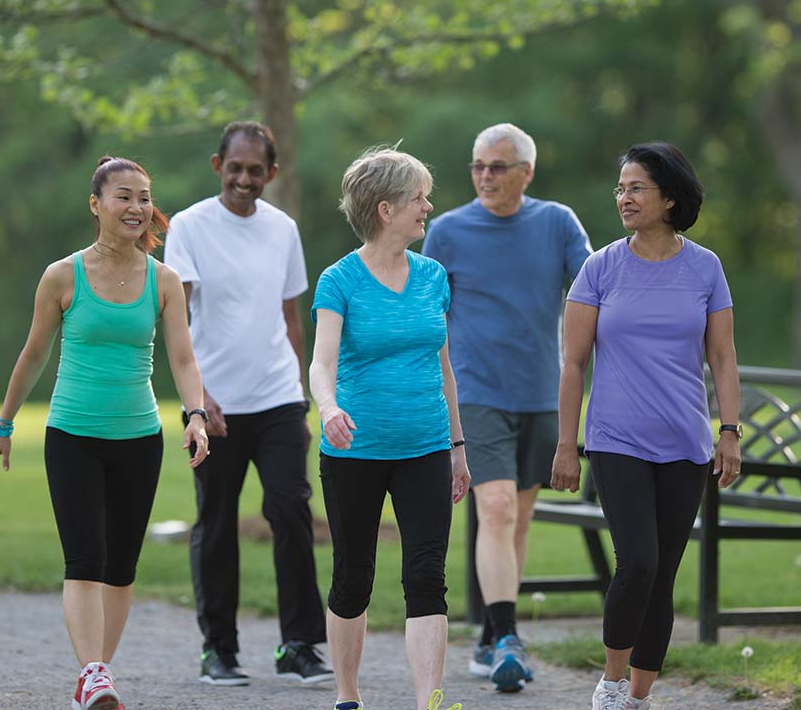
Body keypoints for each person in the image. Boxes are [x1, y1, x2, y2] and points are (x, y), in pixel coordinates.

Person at [0, 156, 210, 710]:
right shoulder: (63, 275)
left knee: (121, 566)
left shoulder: (164, 280)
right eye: (123, 196)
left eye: (143, 198)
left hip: (138, 439)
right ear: (96, 204)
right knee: (85, 558)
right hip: (73, 435)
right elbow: (34, 355)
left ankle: (95, 675)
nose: (136, 207)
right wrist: (4, 425)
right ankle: (93, 674)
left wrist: (196, 414)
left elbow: (182, 357)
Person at [551, 142, 741, 710]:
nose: (624, 197)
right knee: (639, 561)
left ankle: (637, 697)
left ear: (670, 198)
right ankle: (610, 684)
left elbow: (724, 358)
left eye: (636, 187)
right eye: (621, 188)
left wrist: (728, 430)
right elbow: (573, 363)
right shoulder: (600, 267)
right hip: (617, 440)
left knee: (663, 575)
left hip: (685, 443)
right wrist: (568, 443)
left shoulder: (705, 267)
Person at [421, 122, 591, 692]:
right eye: (477, 166)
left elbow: (593, 289)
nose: (485, 176)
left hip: (541, 394)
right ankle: (509, 639)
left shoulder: (557, 222)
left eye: (497, 166)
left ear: (527, 172)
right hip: (476, 393)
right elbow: (428, 316)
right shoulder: (445, 231)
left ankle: (491, 634)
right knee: (493, 510)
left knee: (514, 520)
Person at [163, 120, 331, 686]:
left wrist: (305, 393)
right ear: (218, 166)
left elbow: (291, 319)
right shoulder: (189, 226)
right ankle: (219, 649)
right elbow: (176, 321)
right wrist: (198, 399)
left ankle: (299, 645)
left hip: (279, 397)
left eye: (255, 170)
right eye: (234, 167)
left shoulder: (283, 229)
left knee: (291, 512)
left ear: (271, 174)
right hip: (214, 407)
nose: (243, 178)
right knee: (215, 522)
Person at [309, 148, 470, 710]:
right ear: (385, 208)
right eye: (418, 197)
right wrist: (329, 408)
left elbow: (444, 367)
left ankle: (429, 699)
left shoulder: (433, 277)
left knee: (427, 575)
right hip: (354, 451)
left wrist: (457, 446)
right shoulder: (339, 280)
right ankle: (348, 696)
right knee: (354, 576)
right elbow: (321, 363)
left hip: (425, 447)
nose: (428, 206)